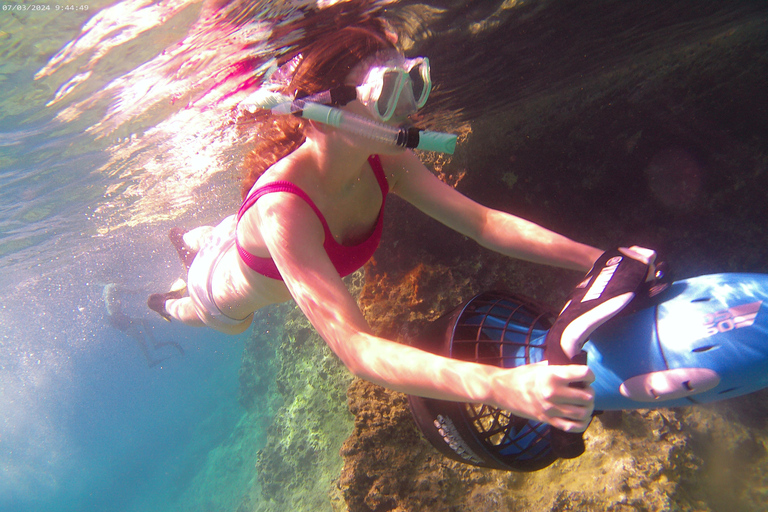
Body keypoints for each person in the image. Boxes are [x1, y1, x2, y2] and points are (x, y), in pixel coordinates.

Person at [148, 24, 606, 434]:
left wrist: (599, 260)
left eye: (413, 84)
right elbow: (357, 349)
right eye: (387, 93)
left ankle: (199, 238)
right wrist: (501, 387)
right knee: (213, 317)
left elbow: (482, 222)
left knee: (225, 233)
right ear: (318, 113)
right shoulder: (283, 211)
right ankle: (170, 299)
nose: (407, 110)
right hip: (218, 292)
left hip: (248, 237)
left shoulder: (387, 158)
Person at [103, 283, 184, 367]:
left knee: (143, 325)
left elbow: (111, 303)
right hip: (117, 317)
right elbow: (133, 292)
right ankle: (150, 357)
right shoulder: (113, 286)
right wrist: (146, 286)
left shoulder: (108, 287)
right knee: (139, 336)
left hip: (117, 317)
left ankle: (154, 345)